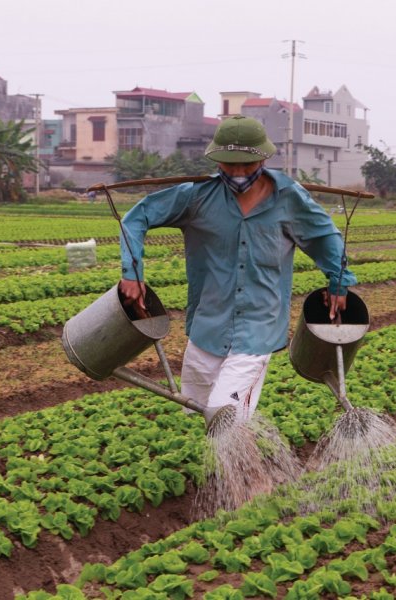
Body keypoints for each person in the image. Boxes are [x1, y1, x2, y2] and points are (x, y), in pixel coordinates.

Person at [118, 115, 356, 423]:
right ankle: (230, 463)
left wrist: (338, 282)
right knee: (198, 407)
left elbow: (326, 237)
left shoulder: (290, 199)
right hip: (208, 325)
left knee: (225, 415)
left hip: (259, 328)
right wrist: (132, 271)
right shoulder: (196, 197)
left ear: (264, 158)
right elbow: (137, 218)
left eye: (247, 165)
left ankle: (238, 471)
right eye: (230, 164)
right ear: (217, 159)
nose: (239, 172)